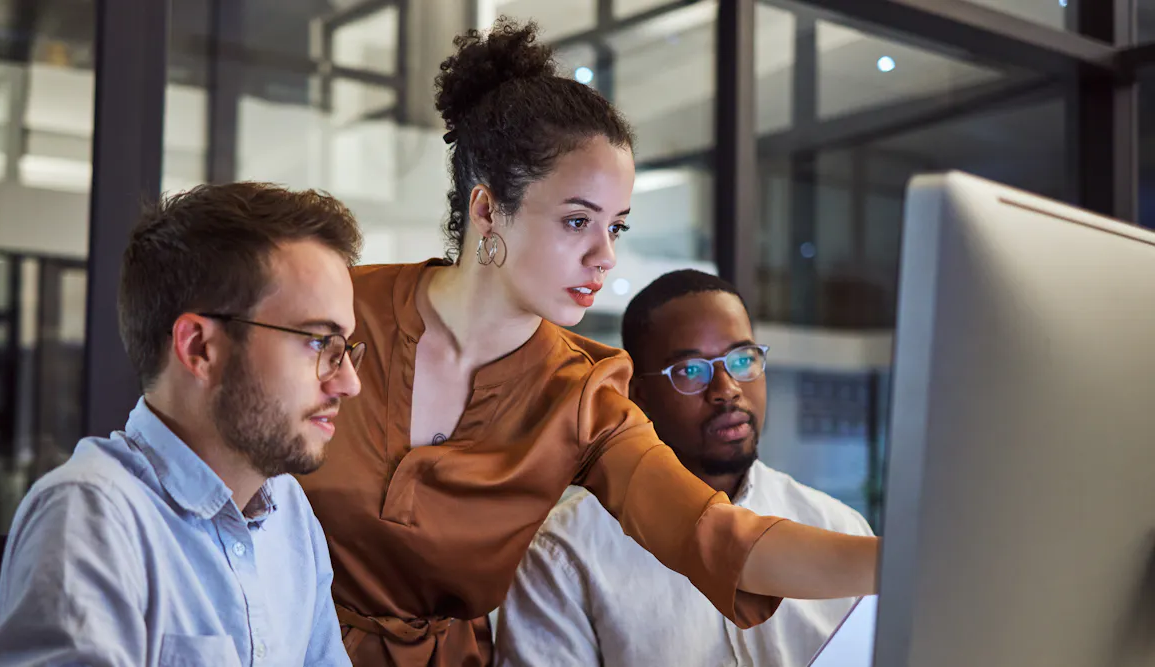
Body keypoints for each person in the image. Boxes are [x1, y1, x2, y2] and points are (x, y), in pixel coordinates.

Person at [298, 18, 879, 667]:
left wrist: (906, 562)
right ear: (487, 210)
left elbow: (718, 536)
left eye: (616, 226)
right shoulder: (338, 311)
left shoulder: (583, 395)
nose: (605, 256)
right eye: (578, 220)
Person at [0, 183, 362, 667]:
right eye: (319, 342)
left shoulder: (290, 514)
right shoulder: (91, 519)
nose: (349, 382)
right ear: (200, 348)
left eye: (345, 347)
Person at [494, 269, 875, 667]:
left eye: (743, 359)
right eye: (691, 370)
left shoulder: (839, 527)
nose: (727, 389)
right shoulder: (563, 551)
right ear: (637, 395)